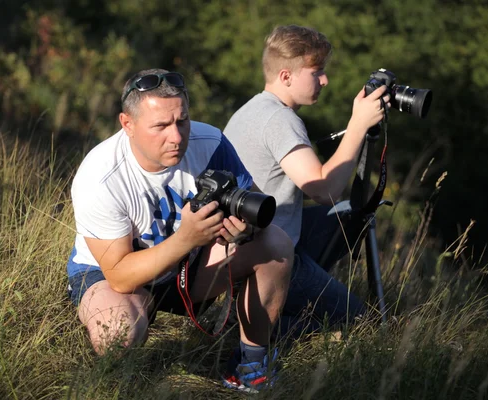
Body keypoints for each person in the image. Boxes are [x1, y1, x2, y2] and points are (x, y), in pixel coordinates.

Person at [66, 68, 294, 393]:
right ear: (127, 125)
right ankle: (119, 387)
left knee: (274, 243)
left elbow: (250, 199)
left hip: (189, 265)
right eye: (160, 126)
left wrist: (240, 228)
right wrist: (187, 238)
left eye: (182, 121)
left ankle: (250, 366)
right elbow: (119, 274)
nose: (176, 136)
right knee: (117, 332)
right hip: (113, 276)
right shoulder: (100, 176)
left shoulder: (210, 141)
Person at [223, 25, 391, 335]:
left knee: (351, 215)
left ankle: (264, 306)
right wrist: (357, 125)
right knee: (361, 322)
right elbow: (324, 189)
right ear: (286, 76)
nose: (325, 80)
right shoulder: (280, 120)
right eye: (317, 72)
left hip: (244, 248)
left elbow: (312, 190)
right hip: (271, 256)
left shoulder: (251, 110)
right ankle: (258, 325)